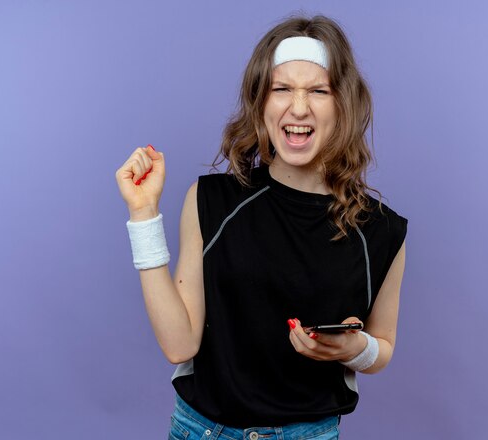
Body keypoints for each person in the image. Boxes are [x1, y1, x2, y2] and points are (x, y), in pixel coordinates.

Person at [116, 15, 407, 440]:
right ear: (260, 101)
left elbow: (382, 348)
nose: (299, 107)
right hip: (202, 431)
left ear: (343, 104)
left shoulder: (381, 231)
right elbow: (179, 346)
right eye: (282, 88)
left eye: (318, 91)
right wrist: (143, 214)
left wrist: (356, 349)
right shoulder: (210, 200)